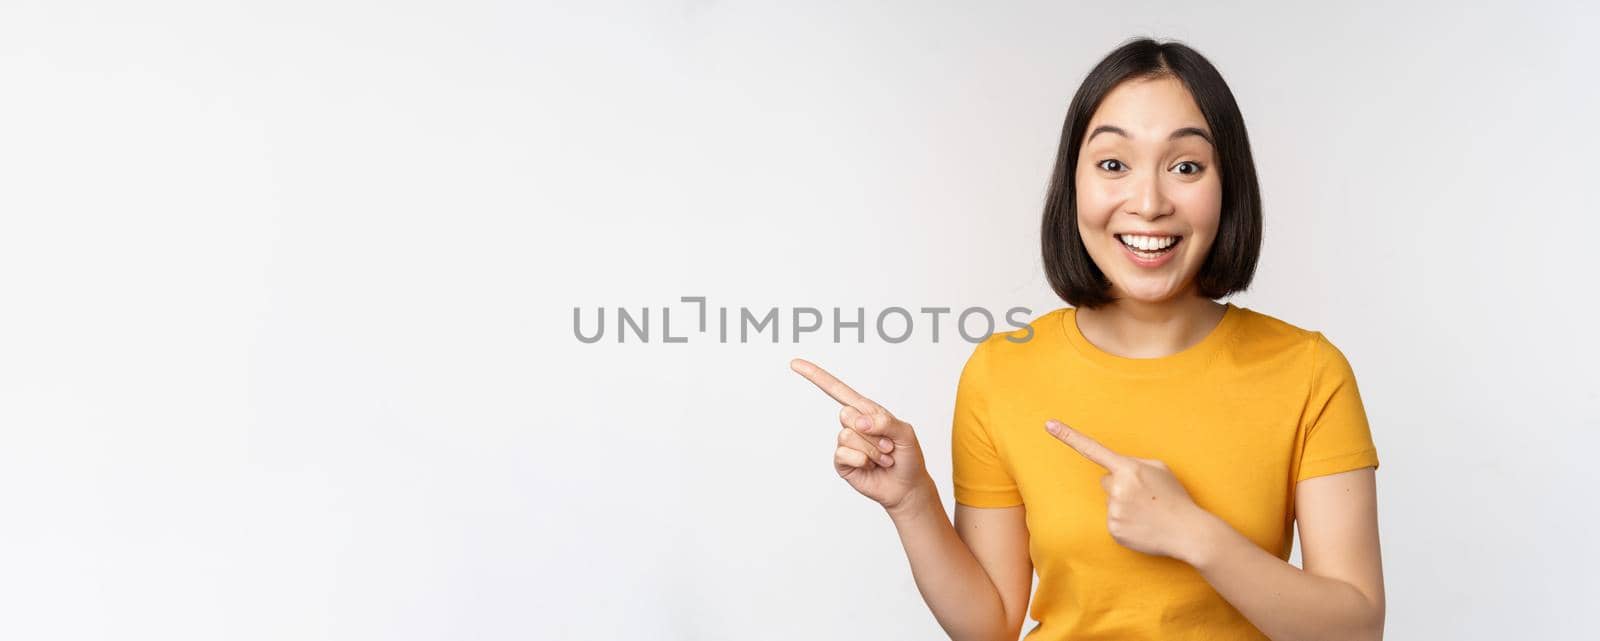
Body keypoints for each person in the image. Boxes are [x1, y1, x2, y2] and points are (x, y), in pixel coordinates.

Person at [790, 38, 1384, 641]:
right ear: (1072, 182)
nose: (1149, 204)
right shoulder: (1002, 372)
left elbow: (1356, 630)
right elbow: (990, 625)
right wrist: (912, 502)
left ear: (1227, 183)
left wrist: (1194, 535)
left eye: (1186, 166)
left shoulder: (1308, 371)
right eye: (1113, 164)